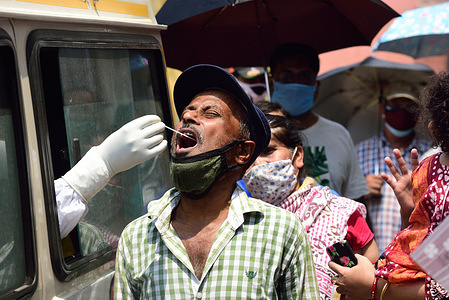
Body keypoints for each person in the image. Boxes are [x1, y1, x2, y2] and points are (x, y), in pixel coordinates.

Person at [114, 64, 320, 299]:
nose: (188, 116)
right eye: (185, 114)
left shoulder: (282, 232)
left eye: (210, 113)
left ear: (242, 152)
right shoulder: (137, 236)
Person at [329, 72, 449, 300]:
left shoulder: (429, 160)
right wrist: (410, 213)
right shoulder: (429, 167)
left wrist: (374, 288)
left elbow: (442, 283)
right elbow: (427, 249)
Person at [242, 114, 378, 300]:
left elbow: (375, 278)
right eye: (250, 154)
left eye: (268, 151)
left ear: (297, 155)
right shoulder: (236, 218)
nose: (258, 163)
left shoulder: (340, 213)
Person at [269, 42, 368, 200]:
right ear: (272, 83)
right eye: (286, 76)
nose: (296, 84)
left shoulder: (339, 135)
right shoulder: (256, 134)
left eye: (304, 77)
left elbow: (355, 200)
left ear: (316, 85)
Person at [56, 114, 167, 238]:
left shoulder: (140, 232)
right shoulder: (85, 236)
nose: (106, 182)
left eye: (116, 173)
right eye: (109, 171)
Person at [355, 82, 433, 253]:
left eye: (409, 108)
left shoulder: (430, 154)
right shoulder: (360, 151)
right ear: (383, 109)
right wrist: (360, 191)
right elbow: (344, 201)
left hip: (418, 253)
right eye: (396, 106)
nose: (402, 113)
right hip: (373, 254)